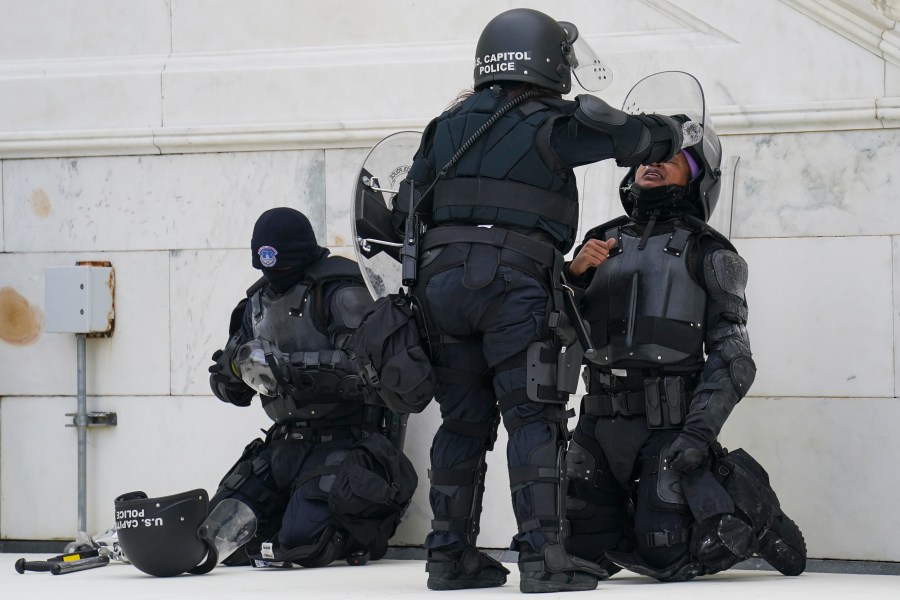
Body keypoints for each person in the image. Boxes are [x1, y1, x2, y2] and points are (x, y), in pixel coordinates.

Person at [391, 8, 686, 593]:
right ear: (548, 59)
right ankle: (543, 562)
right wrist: (670, 129)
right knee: (533, 416)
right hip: (512, 281)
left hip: (442, 285)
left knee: (462, 423)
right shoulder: (551, 121)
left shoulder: (445, 124)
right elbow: (641, 139)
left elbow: (407, 203)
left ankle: (448, 560)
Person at [563, 132, 808, 581]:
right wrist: (573, 277)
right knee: (580, 553)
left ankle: (755, 513)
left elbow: (734, 358)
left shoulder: (710, 251)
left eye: (671, 158)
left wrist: (696, 437)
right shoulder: (597, 243)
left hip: (669, 427)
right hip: (598, 423)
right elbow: (552, 329)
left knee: (666, 558)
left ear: (697, 177)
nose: (652, 164)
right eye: (647, 156)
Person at [207, 207, 414, 569]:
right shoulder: (256, 303)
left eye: (279, 262)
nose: (273, 272)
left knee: (304, 545)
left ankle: (334, 526)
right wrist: (233, 371)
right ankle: (282, 514)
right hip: (284, 442)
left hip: (343, 438)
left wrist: (291, 368)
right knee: (218, 537)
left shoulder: (338, 291)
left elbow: (368, 370)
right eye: (264, 262)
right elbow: (231, 388)